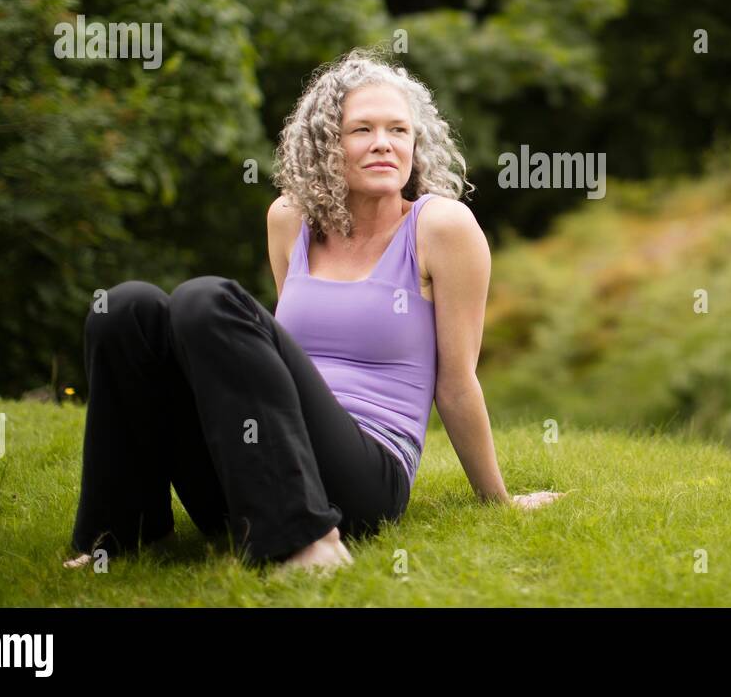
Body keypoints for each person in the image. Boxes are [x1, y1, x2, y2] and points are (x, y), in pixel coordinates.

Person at [64, 46, 565, 574]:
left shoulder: (441, 228)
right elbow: (275, 360)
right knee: (126, 308)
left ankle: (309, 542)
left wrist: (499, 500)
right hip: (257, 472)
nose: (383, 145)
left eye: (399, 130)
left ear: (417, 144)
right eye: (361, 131)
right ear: (327, 145)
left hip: (364, 476)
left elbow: (457, 381)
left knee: (204, 299)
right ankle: (119, 538)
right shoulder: (289, 219)